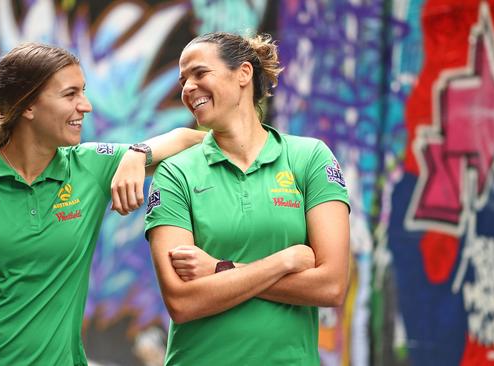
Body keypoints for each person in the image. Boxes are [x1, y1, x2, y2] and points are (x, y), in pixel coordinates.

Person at [0, 43, 205, 365]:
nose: (86, 106)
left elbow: (192, 140)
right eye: (70, 95)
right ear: (27, 106)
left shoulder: (90, 166)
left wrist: (137, 154)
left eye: (83, 92)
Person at [144, 32, 351, 365]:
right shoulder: (175, 173)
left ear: (243, 73)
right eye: (183, 80)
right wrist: (282, 262)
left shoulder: (310, 158)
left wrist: (221, 269)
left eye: (199, 73)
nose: (187, 88)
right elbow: (183, 303)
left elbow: (331, 286)